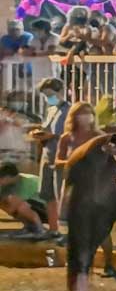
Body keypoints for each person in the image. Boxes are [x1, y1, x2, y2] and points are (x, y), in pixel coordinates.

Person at [54, 102, 116, 276]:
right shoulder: (67, 138)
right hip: (73, 187)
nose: (86, 117)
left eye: (89, 113)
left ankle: (109, 264)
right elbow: (57, 161)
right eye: (82, 113)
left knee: (101, 228)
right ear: (74, 116)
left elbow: (112, 159)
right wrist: (73, 161)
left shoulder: (99, 136)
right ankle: (77, 264)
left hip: (95, 186)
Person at [25, 77, 68, 239]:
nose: (48, 98)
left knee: (60, 195)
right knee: (48, 194)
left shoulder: (68, 111)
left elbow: (65, 133)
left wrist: (48, 135)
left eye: (50, 94)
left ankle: (65, 231)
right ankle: (53, 229)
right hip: (48, 154)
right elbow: (46, 129)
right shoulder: (51, 110)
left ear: (59, 92)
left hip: (60, 156)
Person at [0, 163, 52, 240]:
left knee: (20, 206)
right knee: (9, 204)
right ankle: (29, 227)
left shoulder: (27, 182)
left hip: (48, 211)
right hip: (33, 207)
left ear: (8, 177)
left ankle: (40, 230)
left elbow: (13, 206)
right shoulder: (9, 184)